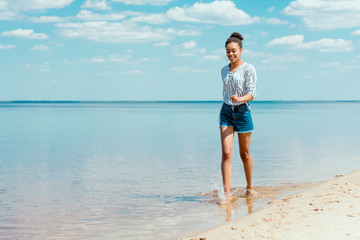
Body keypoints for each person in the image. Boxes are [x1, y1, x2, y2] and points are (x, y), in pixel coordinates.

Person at [219, 32, 257, 204]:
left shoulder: (249, 69)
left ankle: (249, 187)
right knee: (227, 153)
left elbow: (252, 94)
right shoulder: (223, 70)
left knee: (245, 154)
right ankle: (226, 194)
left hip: (243, 112)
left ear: (241, 50)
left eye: (233, 51)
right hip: (226, 112)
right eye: (228, 51)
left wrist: (240, 99)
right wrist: (231, 101)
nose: (231, 54)